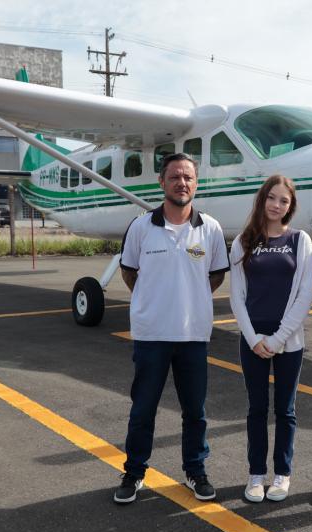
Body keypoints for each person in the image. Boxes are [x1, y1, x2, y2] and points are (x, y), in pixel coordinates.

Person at [113, 153, 229, 504]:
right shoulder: (140, 227)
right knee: (143, 409)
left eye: (189, 177)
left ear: (196, 184)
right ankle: (134, 473)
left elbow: (216, 274)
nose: (182, 183)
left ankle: (195, 470)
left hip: (193, 335)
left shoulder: (210, 228)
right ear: (161, 182)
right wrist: (155, 300)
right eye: (175, 177)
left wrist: (188, 299)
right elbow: (130, 271)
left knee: (195, 411)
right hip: (151, 336)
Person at [229, 175, 312, 503]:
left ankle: (282, 474)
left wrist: (278, 339)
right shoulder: (243, 241)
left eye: (284, 201)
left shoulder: (300, 241)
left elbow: (305, 296)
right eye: (272, 198)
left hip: (288, 341)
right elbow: (236, 296)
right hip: (253, 340)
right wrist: (253, 339)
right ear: (262, 199)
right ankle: (255, 475)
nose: (277, 205)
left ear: (290, 207)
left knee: (286, 409)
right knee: (256, 409)